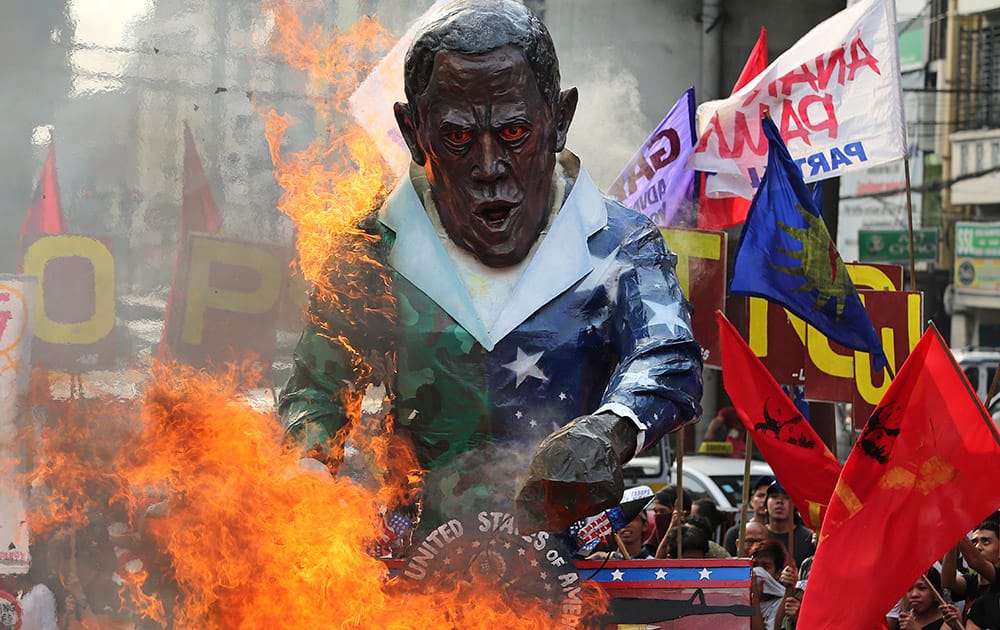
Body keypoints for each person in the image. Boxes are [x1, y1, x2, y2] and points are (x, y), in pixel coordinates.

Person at [278, 0, 703, 537]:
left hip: (571, 569)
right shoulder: (370, 253)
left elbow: (670, 355)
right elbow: (316, 388)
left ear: (560, 120)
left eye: (513, 132)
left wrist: (612, 429)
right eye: (457, 136)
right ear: (413, 133)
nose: (488, 166)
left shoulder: (622, 245)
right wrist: (309, 476)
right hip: (413, 571)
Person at [764, 480, 815, 569]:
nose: (779, 501)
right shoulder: (757, 535)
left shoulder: (808, 538)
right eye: (774, 497)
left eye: (786, 497)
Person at [723, 474, 774, 556]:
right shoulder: (735, 532)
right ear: (751, 500)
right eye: (760, 495)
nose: (764, 500)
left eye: (769, 496)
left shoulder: (779, 532)